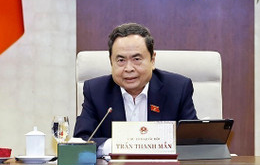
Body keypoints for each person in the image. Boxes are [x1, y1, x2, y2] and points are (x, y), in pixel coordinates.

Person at [73, 22, 198, 154]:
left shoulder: (178, 88)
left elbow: (194, 141)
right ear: (111, 62)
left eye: (137, 59)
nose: (129, 69)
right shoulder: (95, 91)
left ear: (152, 60)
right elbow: (81, 142)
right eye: (121, 60)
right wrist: (121, 146)